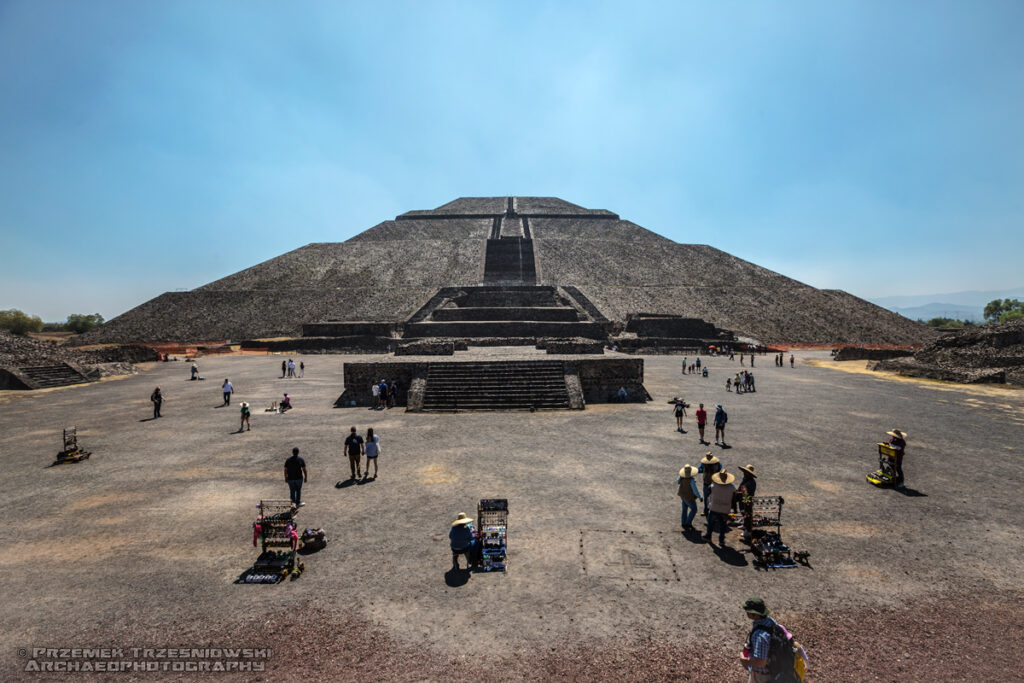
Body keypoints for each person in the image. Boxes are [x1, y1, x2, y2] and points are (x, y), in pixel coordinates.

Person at [740, 597, 807, 683]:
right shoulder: (771, 621)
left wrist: (744, 660)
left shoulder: (760, 635)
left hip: (763, 676)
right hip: (775, 670)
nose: (746, 612)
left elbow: (761, 662)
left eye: (748, 611)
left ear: (755, 615)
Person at [705, 469, 736, 546]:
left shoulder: (713, 486)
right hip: (725, 510)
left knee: (710, 524)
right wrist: (734, 509)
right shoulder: (732, 488)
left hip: (714, 507)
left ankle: (708, 537)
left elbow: (708, 493)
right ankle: (721, 541)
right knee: (722, 526)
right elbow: (734, 499)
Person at [677, 464, 702, 530]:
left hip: (682, 495)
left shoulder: (681, 477)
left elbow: (678, 481)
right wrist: (700, 497)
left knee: (684, 509)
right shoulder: (691, 480)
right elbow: (695, 490)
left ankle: (683, 522)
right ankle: (688, 523)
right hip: (689, 497)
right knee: (694, 509)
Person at [698, 452, 720, 516]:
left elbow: (699, 470)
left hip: (709, 483)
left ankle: (708, 511)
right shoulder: (716, 463)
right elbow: (700, 469)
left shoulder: (716, 464)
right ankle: (707, 510)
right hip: (711, 483)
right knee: (709, 498)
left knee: (708, 498)